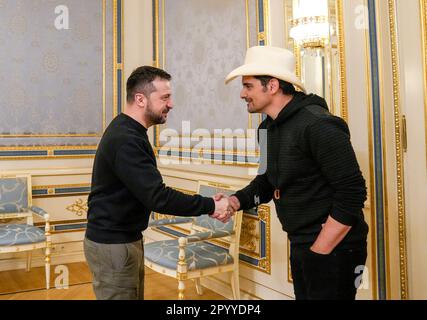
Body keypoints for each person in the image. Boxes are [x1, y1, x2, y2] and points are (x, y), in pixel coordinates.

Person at [218, 46, 369, 300]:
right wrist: (235, 201)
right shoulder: (266, 129)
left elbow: (353, 192)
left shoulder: (318, 124)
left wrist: (320, 249)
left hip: (336, 248)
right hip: (301, 242)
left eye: (248, 86)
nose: (243, 94)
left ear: (273, 86)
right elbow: (266, 182)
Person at [84, 66, 231, 300]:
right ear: (140, 99)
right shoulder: (126, 138)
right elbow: (158, 197)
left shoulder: (129, 130)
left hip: (122, 239)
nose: (171, 104)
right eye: (165, 97)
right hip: (113, 245)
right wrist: (211, 205)